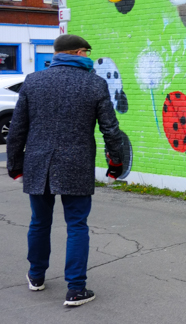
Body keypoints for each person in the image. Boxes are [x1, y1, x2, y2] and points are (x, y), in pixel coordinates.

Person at [6, 34, 124, 307]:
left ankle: (36, 276)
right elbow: (110, 129)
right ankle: (76, 289)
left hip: (39, 164)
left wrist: (15, 166)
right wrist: (115, 164)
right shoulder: (95, 83)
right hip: (77, 164)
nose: (88, 58)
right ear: (79, 52)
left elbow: (17, 128)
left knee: (39, 222)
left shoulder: (33, 81)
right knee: (77, 225)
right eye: (86, 53)